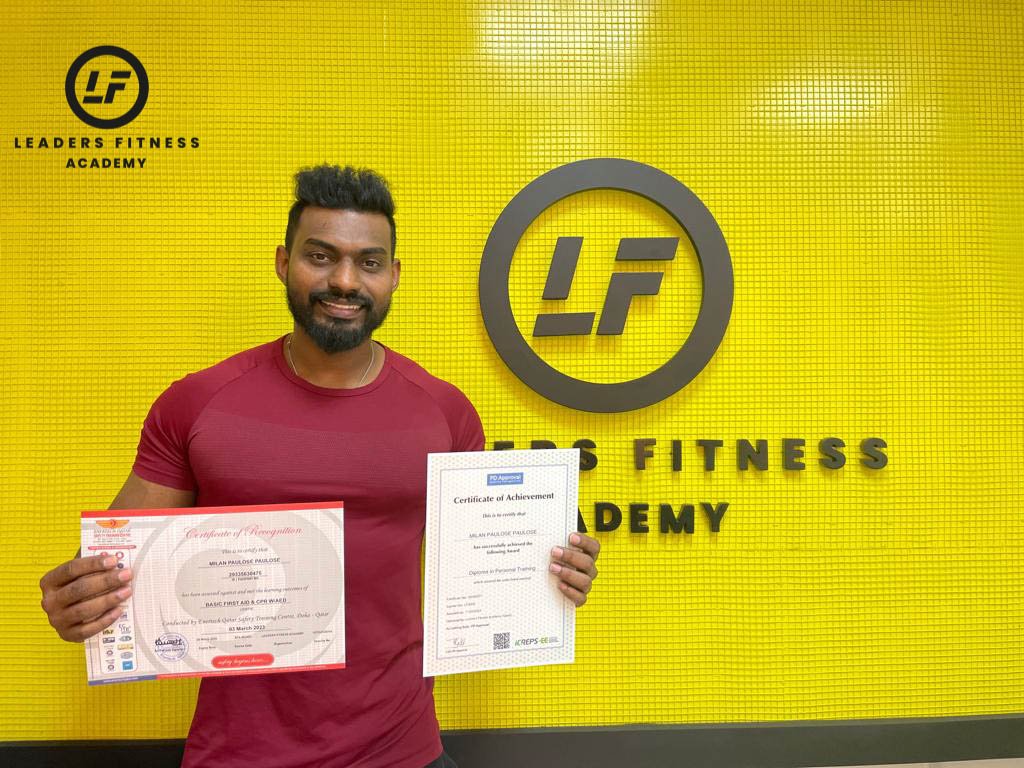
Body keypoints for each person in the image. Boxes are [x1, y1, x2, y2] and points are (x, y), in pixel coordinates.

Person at [38, 165, 600, 768]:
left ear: (394, 275)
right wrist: (80, 600)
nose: (344, 281)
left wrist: (554, 572)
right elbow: (117, 573)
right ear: (284, 263)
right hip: (241, 755)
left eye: (369, 262)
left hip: (403, 750)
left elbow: (491, 558)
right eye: (320, 256)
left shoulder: (444, 411)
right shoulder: (197, 403)